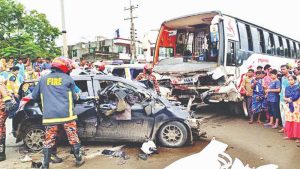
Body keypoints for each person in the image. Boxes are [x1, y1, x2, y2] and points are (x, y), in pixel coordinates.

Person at [32, 57, 84, 169]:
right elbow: (75, 97)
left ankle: (45, 165)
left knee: (49, 140)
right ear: (65, 67)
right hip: (67, 115)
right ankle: (79, 159)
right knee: (73, 137)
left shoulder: (43, 79)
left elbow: (34, 96)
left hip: (50, 117)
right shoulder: (68, 79)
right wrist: (78, 96)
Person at [0, 78, 14, 161]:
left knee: (0, 130)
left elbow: (6, 95)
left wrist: (7, 101)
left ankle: (1, 154)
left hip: (1, 109)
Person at [283, 75, 300, 142]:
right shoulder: (287, 88)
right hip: (288, 106)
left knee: (297, 120)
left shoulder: (298, 88)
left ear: (295, 81)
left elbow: (295, 97)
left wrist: (288, 99)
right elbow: (284, 96)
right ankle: (289, 135)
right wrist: (288, 98)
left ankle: (298, 137)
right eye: (289, 80)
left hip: (296, 106)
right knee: (289, 119)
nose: (290, 81)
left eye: (291, 79)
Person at [279, 64, 290, 133]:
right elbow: (282, 88)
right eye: (281, 69)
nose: (282, 70)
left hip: (288, 100)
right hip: (281, 99)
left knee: (288, 115)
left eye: (284, 69)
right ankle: (284, 127)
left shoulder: (291, 78)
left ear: (288, 69)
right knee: (282, 115)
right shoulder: (282, 78)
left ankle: (288, 129)